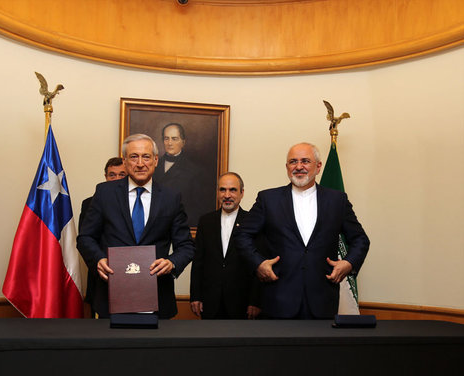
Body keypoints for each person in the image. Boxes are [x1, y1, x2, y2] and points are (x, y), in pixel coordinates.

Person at [235, 142, 369, 319]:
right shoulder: (268, 199)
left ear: (318, 166)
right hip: (278, 300)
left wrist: (348, 263)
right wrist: (258, 263)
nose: (299, 167)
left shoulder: (337, 200)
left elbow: (360, 239)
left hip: (322, 300)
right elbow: (242, 235)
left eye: (305, 161)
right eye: (293, 162)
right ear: (287, 167)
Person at [77, 133, 195, 319]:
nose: (140, 163)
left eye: (146, 157)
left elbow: (186, 246)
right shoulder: (104, 193)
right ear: (125, 161)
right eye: (134, 157)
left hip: (158, 298)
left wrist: (171, 263)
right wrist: (98, 259)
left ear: (156, 160)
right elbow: (85, 238)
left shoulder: (171, 197)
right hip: (111, 296)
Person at [190, 172, 260, 319]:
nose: (227, 195)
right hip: (210, 302)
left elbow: (258, 265)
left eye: (232, 190)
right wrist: (195, 296)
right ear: (217, 193)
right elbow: (198, 262)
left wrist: (255, 301)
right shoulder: (205, 221)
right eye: (222, 190)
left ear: (242, 193)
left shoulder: (252, 221)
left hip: (242, 303)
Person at [78, 157, 127, 317]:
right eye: (112, 175)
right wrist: (100, 262)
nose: (117, 179)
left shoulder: (136, 201)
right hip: (101, 276)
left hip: (132, 274)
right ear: (105, 177)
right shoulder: (89, 204)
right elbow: (85, 240)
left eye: (122, 175)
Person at [153, 122, 207, 227]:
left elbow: (196, 207)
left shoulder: (194, 171)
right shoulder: (152, 166)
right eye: (166, 138)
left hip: (179, 226)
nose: (169, 143)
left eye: (174, 139)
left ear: (183, 142)